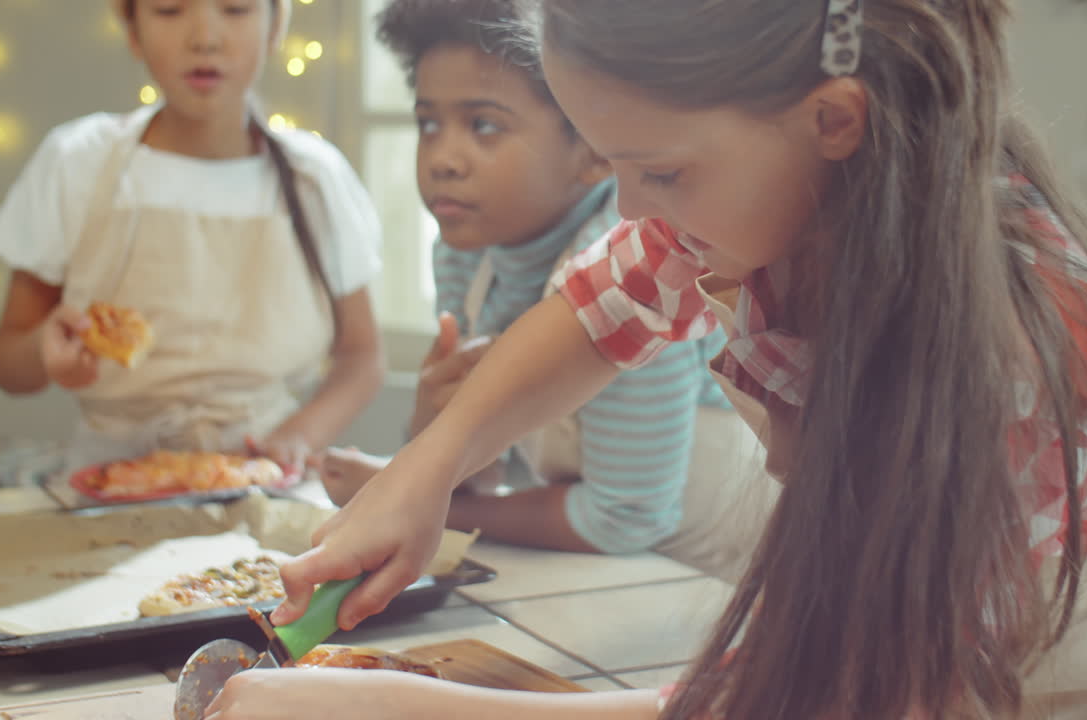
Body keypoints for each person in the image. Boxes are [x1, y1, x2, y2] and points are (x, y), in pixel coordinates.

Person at [205, 1, 1087, 718]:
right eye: (611, 162)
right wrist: (422, 472)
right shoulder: (765, 193)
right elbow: (596, 305)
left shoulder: (1005, 378)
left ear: (833, 120)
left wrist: (385, 705)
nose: (628, 209)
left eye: (655, 170)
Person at [316, 0, 773, 580]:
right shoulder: (466, 258)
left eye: (483, 125)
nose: (443, 160)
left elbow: (625, 517)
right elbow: (488, 456)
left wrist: (434, 499)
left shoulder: (660, 254)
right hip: (595, 577)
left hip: (710, 577)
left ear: (592, 150)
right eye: (428, 123)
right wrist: (429, 440)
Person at [0, 0, 384, 482]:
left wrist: (300, 434)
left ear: (276, 25)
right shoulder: (78, 163)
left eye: (235, 9)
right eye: (170, 9)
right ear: (131, 29)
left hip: (264, 476)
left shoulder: (315, 179)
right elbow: (9, 367)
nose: (204, 37)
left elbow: (362, 356)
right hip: (111, 481)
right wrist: (45, 354)